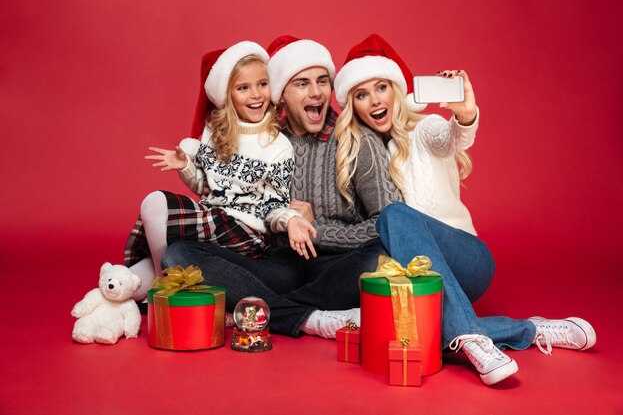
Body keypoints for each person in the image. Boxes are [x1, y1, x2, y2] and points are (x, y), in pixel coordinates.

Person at [333, 33, 596, 385]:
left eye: (381, 87)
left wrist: (465, 114)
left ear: (397, 90)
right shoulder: (364, 151)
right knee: (410, 335)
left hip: (465, 259)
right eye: (362, 95)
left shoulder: (423, 129)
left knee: (394, 216)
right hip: (421, 278)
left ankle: (469, 336)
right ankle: (528, 330)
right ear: (354, 105)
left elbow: (452, 138)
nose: (374, 101)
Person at [163, 36, 400, 339]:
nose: (316, 92)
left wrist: (315, 228)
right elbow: (237, 207)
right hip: (279, 267)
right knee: (178, 255)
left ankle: (253, 305)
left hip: (336, 266)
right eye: (302, 84)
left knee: (378, 259)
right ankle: (308, 318)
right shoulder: (264, 140)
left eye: (322, 81)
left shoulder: (358, 141)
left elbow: (391, 225)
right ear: (282, 95)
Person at [123, 41, 315, 300]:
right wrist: (186, 166)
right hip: (215, 219)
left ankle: (161, 289)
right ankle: (126, 290)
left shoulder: (278, 144)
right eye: (243, 88)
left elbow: (274, 204)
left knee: (157, 203)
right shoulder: (214, 131)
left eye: (262, 84)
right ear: (228, 94)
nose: (256, 94)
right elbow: (204, 187)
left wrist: (290, 219)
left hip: (249, 232)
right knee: (154, 261)